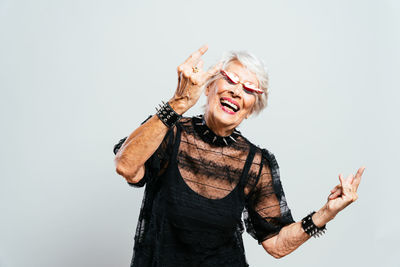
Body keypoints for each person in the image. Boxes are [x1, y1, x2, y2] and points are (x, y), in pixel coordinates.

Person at [113, 45, 365, 267]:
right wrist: (178, 103)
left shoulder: (255, 163)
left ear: (251, 109)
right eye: (231, 80)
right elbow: (126, 166)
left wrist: (326, 213)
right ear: (209, 86)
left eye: (248, 89)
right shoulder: (167, 131)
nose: (236, 91)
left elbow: (276, 243)